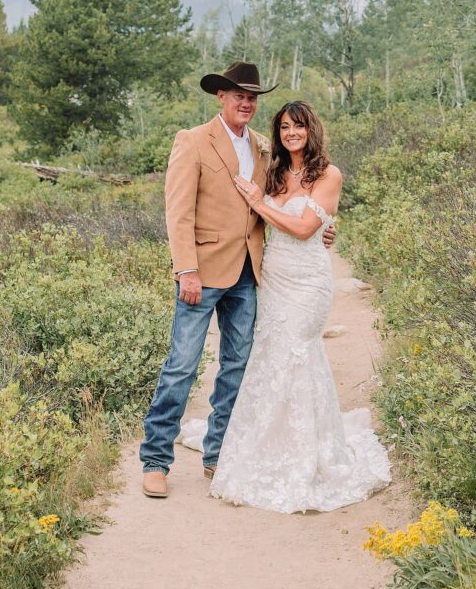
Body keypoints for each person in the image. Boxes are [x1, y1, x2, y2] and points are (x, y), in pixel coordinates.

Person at [140, 63, 336, 498]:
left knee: (238, 366)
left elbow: (287, 204)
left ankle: (218, 454)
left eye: (251, 97)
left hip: (250, 273)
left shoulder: (265, 148)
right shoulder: (192, 141)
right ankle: (155, 459)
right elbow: (178, 211)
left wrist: (321, 225)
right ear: (221, 98)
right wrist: (185, 268)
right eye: (237, 95)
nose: (245, 103)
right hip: (203, 272)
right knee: (182, 365)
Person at [207, 100, 392, 513]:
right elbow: (264, 222)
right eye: (285, 126)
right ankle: (271, 445)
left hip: (307, 282)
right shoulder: (273, 171)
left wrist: (261, 203)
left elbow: (307, 228)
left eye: (299, 126)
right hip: (273, 276)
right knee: (271, 357)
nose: (292, 133)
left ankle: (310, 453)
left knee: (298, 352)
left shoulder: (328, 174)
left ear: (312, 130)